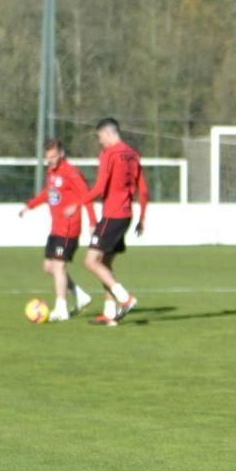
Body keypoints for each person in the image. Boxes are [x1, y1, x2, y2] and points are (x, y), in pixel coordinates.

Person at [19, 139, 97, 321]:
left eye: (54, 156)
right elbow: (47, 193)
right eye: (48, 157)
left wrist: (93, 222)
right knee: (48, 267)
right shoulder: (51, 172)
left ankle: (61, 307)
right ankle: (80, 295)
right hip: (56, 228)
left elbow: (87, 195)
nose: (51, 160)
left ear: (61, 153)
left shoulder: (71, 172)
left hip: (69, 228)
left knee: (59, 265)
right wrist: (29, 206)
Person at [79, 117, 147, 327]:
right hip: (126, 216)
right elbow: (143, 189)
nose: (100, 142)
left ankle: (125, 297)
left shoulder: (109, 154)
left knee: (90, 261)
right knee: (105, 263)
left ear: (108, 134)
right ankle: (110, 314)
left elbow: (99, 188)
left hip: (112, 215)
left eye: (100, 137)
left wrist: (77, 203)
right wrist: (142, 218)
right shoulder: (133, 154)